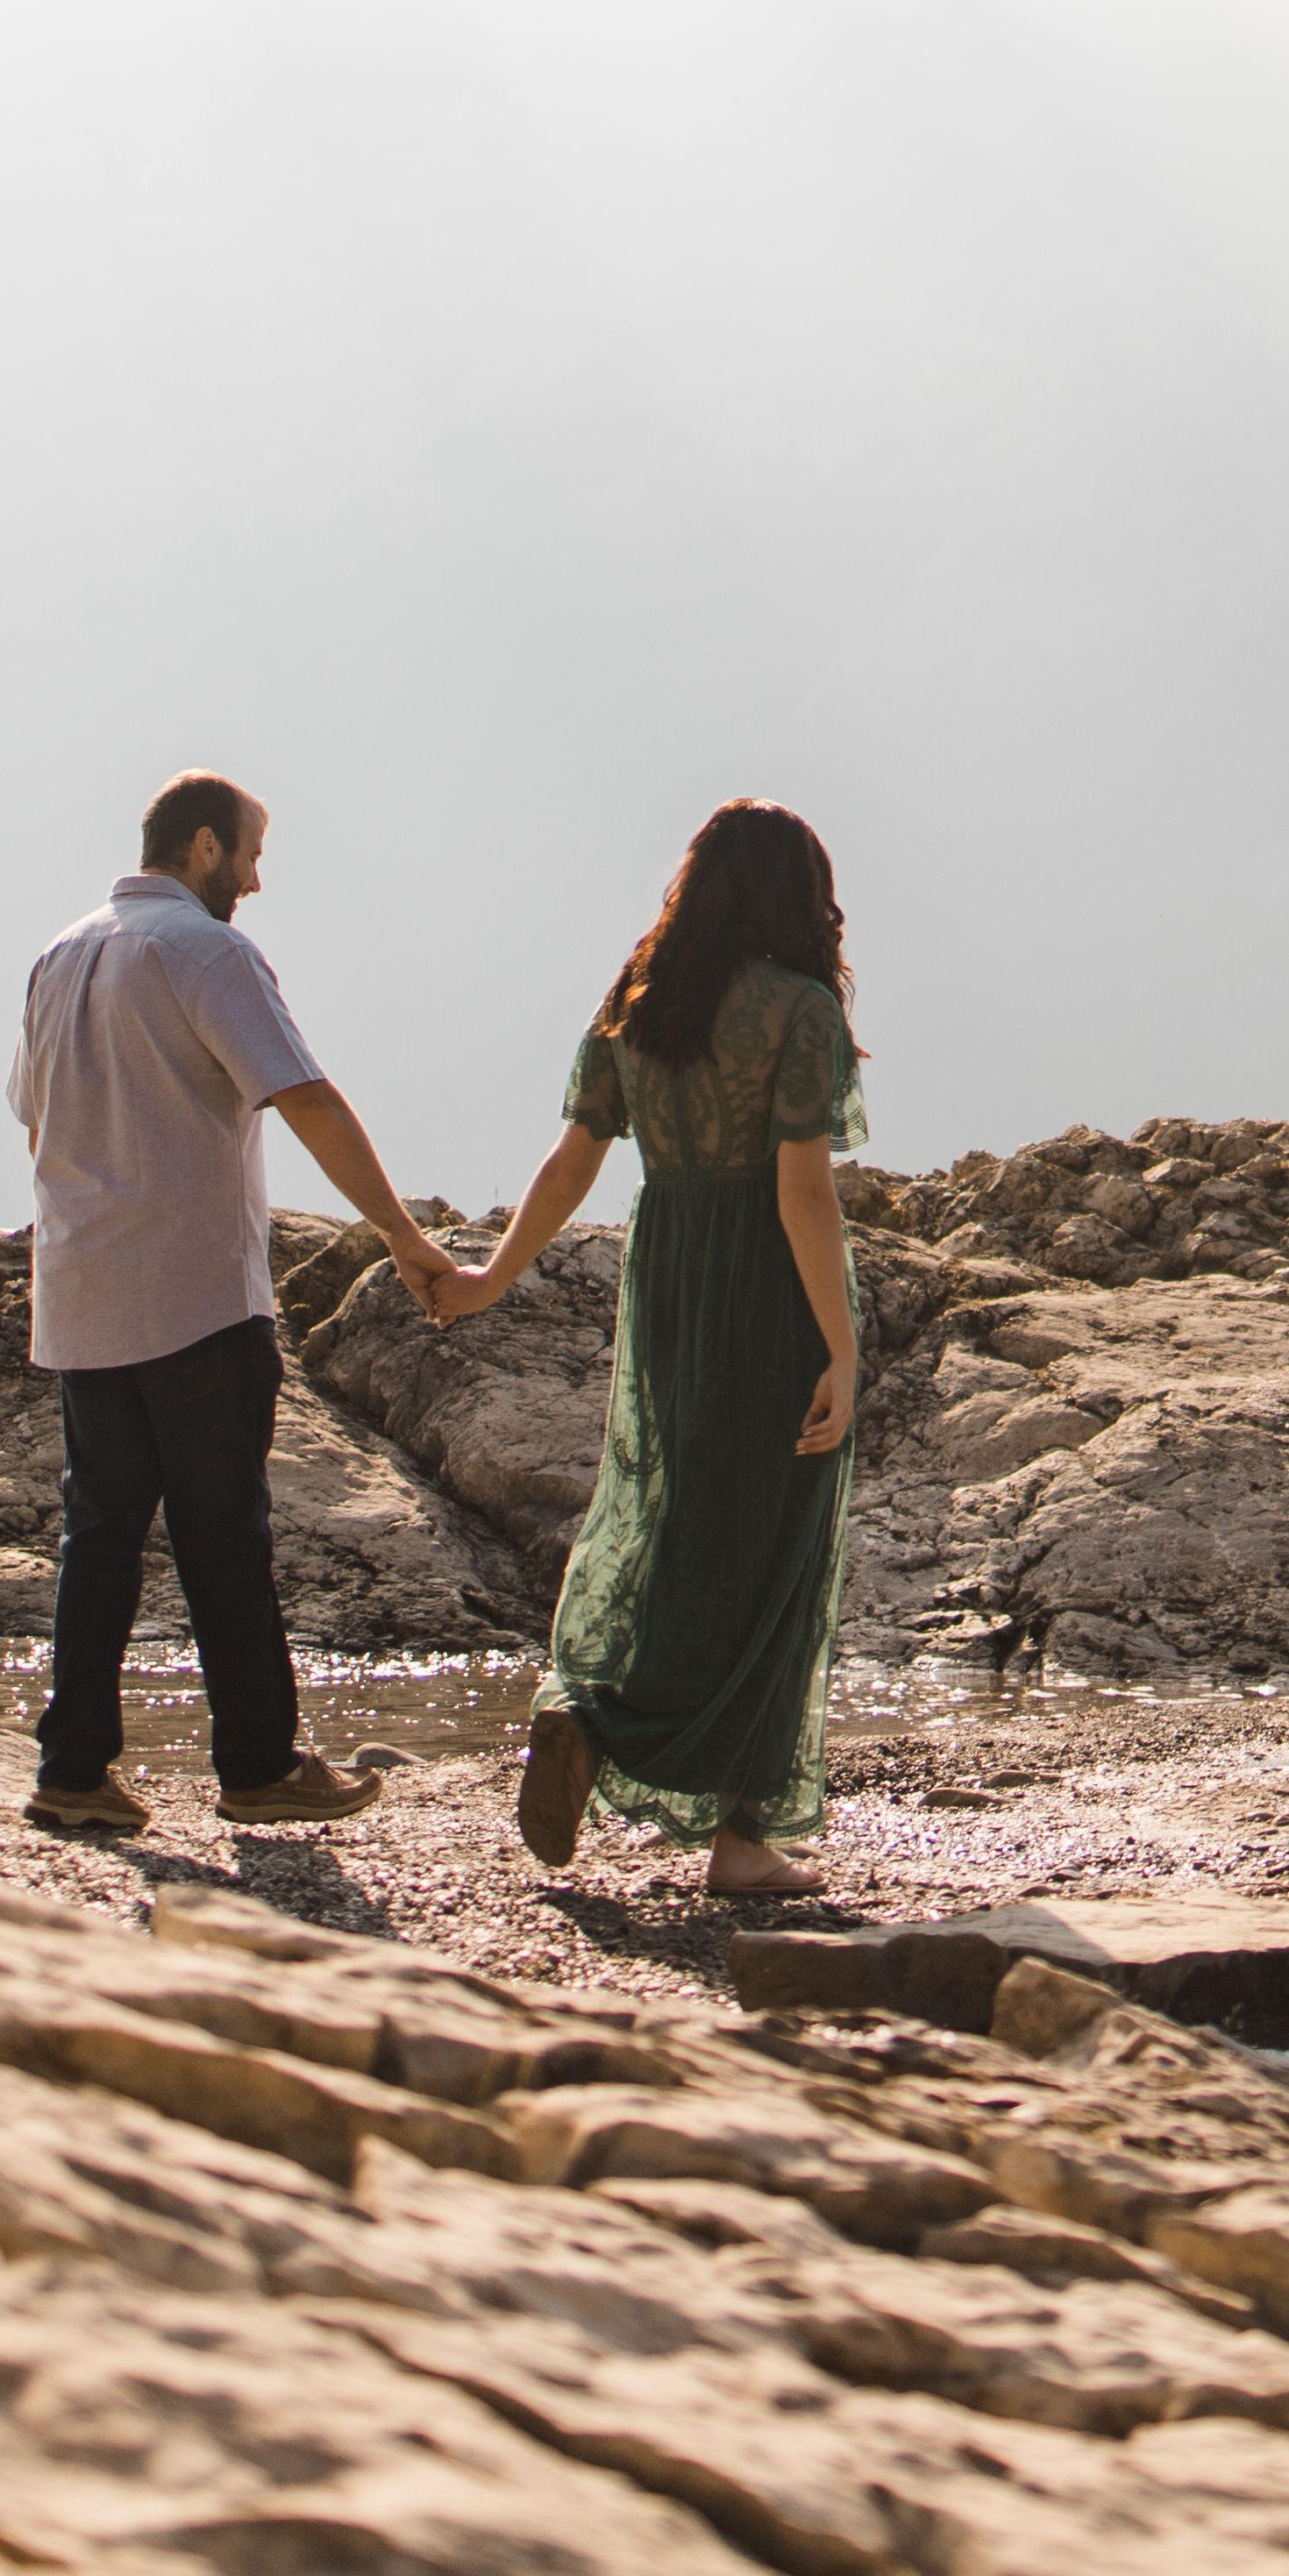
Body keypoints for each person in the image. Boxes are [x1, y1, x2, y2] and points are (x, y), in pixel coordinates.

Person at [428, 798, 864, 1906]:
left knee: (681, 1523)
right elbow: (802, 1190)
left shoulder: (639, 1008)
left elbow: (573, 1161)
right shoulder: (800, 1013)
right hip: (766, 1289)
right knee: (769, 1550)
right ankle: (732, 1829)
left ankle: (600, 1719)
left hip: (668, 1278)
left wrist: (490, 1278)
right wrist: (843, 1346)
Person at [12, 768, 452, 1837]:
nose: (256, 879)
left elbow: (33, 1116)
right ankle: (257, 1766)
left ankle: (73, 1771)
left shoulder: (61, 954)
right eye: (251, 855)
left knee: (99, 1536)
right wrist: (401, 1235)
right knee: (225, 1535)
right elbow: (304, 1095)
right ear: (204, 847)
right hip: (196, 1292)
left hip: (82, 1292)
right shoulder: (206, 951)